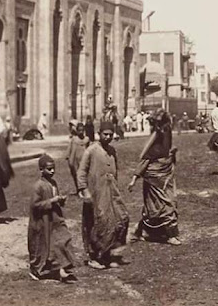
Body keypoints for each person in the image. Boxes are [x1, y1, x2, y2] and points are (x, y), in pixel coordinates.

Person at [77, 122, 129, 269]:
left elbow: (115, 171)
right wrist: (84, 190)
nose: (108, 137)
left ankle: (107, 254)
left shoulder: (112, 150)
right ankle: (94, 256)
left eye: (110, 134)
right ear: (99, 133)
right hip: (96, 193)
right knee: (97, 222)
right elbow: (81, 172)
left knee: (118, 219)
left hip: (111, 192)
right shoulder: (91, 150)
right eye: (105, 134)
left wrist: (115, 188)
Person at [128, 109, 180, 245]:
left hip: (164, 174)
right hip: (153, 176)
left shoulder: (166, 133)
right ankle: (168, 234)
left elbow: (166, 151)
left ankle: (145, 231)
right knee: (161, 204)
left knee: (165, 203)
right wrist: (134, 179)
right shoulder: (156, 139)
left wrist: (171, 154)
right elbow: (144, 158)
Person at [28, 154, 77, 282]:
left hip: (55, 218)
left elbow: (56, 198)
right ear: (41, 170)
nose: (52, 171)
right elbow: (35, 205)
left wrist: (60, 200)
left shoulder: (53, 183)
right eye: (49, 169)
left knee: (63, 238)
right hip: (42, 221)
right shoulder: (38, 186)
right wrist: (52, 200)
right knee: (42, 245)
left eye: (53, 168)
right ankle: (36, 269)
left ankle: (62, 268)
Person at [66, 120, 90, 192]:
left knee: (84, 174)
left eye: (82, 130)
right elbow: (70, 149)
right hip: (76, 159)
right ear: (76, 131)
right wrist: (68, 157)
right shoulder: (74, 139)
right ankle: (78, 190)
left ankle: (85, 188)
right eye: (79, 130)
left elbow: (88, 149)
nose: (81, 132)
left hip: (84, 159)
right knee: (76, 174)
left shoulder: (87, 139)